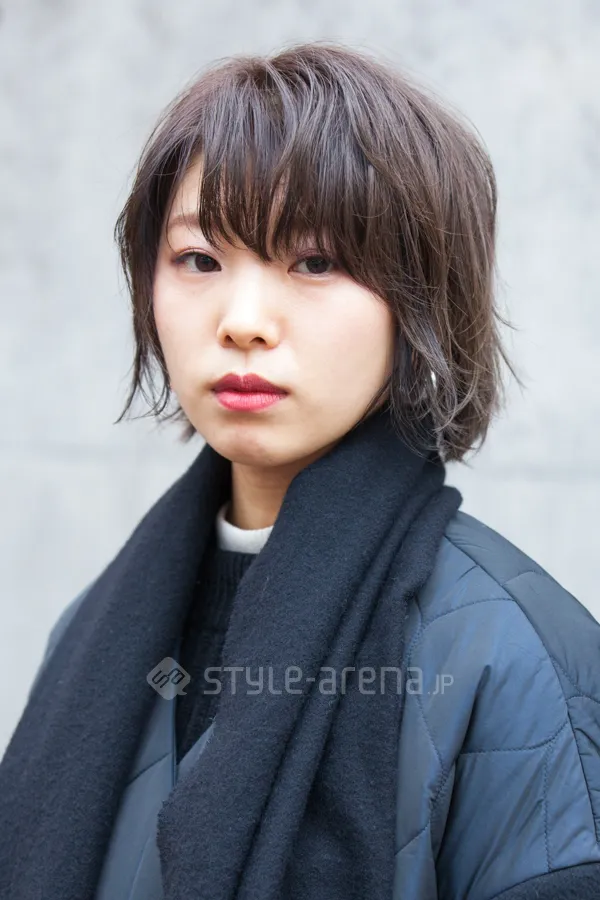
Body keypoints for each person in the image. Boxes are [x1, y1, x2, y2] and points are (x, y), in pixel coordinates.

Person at [1, 41, 599, 900]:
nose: (243, 321)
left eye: (315, 262)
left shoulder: (513, 653)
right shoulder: (90, 633)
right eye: (199, 259)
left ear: (421, 297)